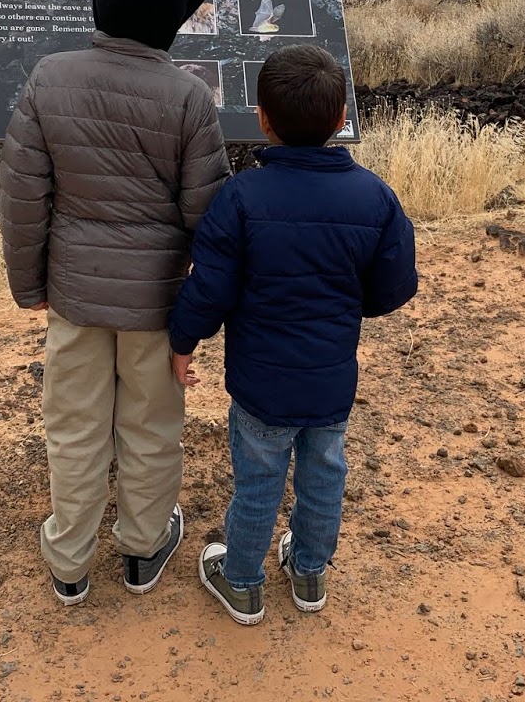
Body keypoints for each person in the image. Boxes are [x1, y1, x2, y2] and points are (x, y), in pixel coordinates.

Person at [0, 0, 230, 606]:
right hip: (156, 305)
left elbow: (23, 195)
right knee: (150, 427)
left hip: (74, 296)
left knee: (73, 427)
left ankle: (69, 561)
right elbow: (207, 216)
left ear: (102, 0)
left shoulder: (50, 77)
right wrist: (202, 308)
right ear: (171, 18)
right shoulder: (189, 98)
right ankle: (143, 547)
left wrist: (29, 284)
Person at [167, 45, 418, 624]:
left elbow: (210, 288)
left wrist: (183, 341)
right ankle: (308, 572)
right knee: (325, 473)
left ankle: (241, 581)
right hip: (331, 380)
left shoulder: (240, 198)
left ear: (262, 118)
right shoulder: (375, 196)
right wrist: (347, 307)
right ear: (341, 118)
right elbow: (393, 287)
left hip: (261, 384)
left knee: (258, 482)